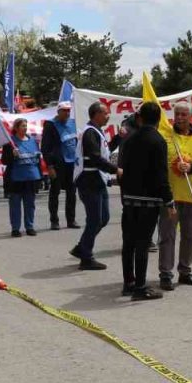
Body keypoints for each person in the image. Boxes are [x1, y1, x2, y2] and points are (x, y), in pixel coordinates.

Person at [157, 101, 192, 290]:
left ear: (191, 117)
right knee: (167, 236)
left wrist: (191, 167)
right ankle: (166, 274)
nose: (180, 118)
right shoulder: (165, 137)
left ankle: (185, 270)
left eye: (183, 114)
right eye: (177, 114)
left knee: (189, 235)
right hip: (170, 196)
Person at [117, 101, 173, 301]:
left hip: (129, 199)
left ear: (139, 118)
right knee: (142, 244)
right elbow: (161, 175)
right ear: (159, 119)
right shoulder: (158, 140)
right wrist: (169, 201)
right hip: (149, 201)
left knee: (128, 243)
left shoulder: (129, 139)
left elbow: (121, 169)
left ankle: (128, 283)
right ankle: (140, 287)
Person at [72, 102, 120, 270]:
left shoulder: (97, 132)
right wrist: (116, 170)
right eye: (106, 113)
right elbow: (95, 158)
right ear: (96, 114)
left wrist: (118, 138)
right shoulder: (89, 133)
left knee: (103, 218)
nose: (108, 116)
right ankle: (86, 258)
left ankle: (82, 247)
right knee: (94, 219)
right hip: (89, 180)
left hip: (98, 180)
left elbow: (105, 152)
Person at [41, 101, 80, 230]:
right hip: (58, 164)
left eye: (68, 110)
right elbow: (45, 148)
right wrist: (50, 166)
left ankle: (71, 220)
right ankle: (54, 221)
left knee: (72, 192)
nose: (67, 113)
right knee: (55, 192)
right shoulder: (50, 125)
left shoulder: (73, 123)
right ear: (58, 111)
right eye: (64, 110)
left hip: (72, 163)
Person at [1, 117, 42, 238]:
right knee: (15, 205)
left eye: (26, 125)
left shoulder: (33, 141)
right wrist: (12, 155)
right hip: (16, 179)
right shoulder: (10, 143)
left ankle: (29, 227)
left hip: (31, 178)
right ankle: (15, 228)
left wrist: (40, 176)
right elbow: (4, 161)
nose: (25, 128)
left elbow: (37, 159)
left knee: (30, 204)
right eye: (22, 126)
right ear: (16, 128)